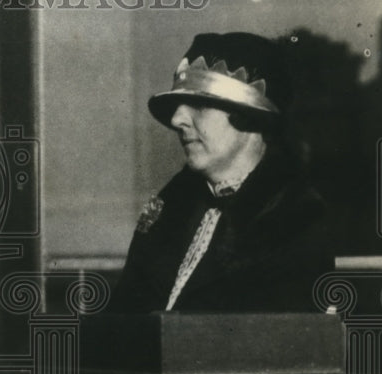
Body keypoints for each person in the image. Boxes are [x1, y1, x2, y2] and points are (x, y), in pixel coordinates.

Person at [108, 32, 334, 315]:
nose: (177, 119)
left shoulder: (296, 218)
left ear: (250, 118)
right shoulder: (171, 205)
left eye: (200, 105)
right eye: (178, 106)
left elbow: (270, 347)